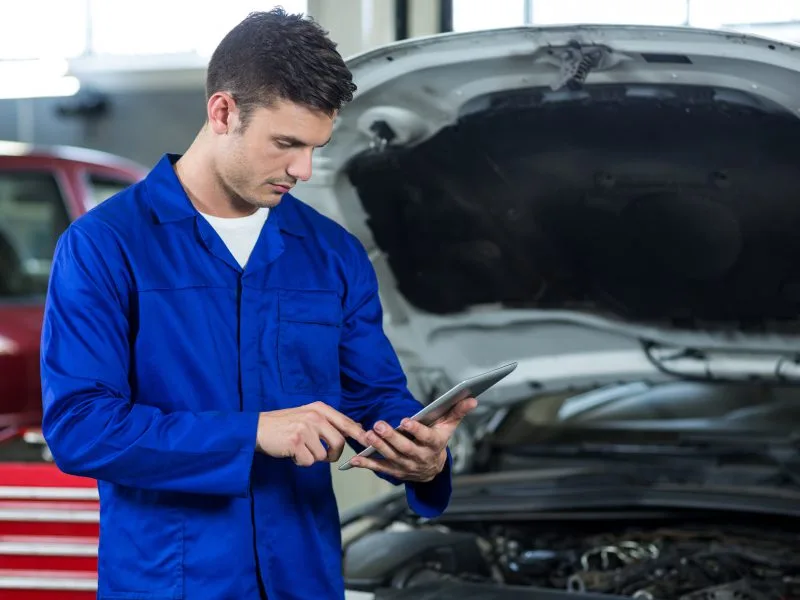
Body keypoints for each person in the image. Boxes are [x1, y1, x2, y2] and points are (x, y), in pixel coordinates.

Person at [39, 8, 477, 600]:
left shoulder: (332, 253)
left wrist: (418, 450)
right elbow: (81, 428)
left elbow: (373, 394)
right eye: (287, 143)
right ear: (223, 112)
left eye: (316, 146)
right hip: (170, 580)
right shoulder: (106, 246)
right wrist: (251, 434)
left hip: (303, 576)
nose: (304, 169)